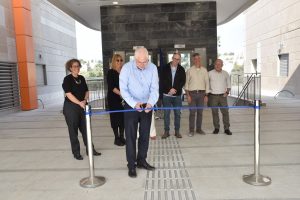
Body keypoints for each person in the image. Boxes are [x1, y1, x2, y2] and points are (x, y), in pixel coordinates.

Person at [119, 47, 159, 178]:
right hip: (131, 106)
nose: (143, 65)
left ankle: (141, 160)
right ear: (135, 59)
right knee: (130, 137)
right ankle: (131, 165)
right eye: (140, 62)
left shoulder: (152, 68)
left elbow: (155, 89)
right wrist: (133, 103)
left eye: (145, 61)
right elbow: (123, 90)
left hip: (147, 105)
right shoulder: (126, 68)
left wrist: (151, 103)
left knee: (145, 135)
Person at [62, 58, 101, 160]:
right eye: (74, 66)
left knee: (86, 129)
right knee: (73, 131)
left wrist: (84, 100)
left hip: (83, 106)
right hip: (71, 107)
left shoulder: (82, 78)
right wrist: (79, 102)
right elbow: (68, 94)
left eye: (78, 66)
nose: (77, 68)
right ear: (70, 68)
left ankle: (90, 150)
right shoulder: (67, 79)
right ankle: (76, 152)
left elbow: (87, 91)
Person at [161, 52, 186, 139]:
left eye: (178, 59)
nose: (176, 60)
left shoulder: (182, 69)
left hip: (177, 96)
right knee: (166, 114)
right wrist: (169, 89)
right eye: (175, 58)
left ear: (179, 60)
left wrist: (174, 89)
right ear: (172, 58)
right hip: (166, 95)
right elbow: (162, 80)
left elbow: (182, 81)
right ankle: (166, 131)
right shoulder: (165, 68)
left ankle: (177, 131)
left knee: (177, 114)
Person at [184, 53, 209, 137]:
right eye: (196, 59)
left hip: (202, 94)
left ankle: (199, 129)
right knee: (192, 113)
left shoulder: (204, 70)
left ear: (200, 59)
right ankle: (191, 130)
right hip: (192, 94)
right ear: (193, 60)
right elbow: (186, 84)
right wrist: (187, 95)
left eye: (199, 58)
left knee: (200, 112)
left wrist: (206, 95)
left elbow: (207, 83)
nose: (197, 60)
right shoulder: (189, 71)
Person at [208, 59, 232, 135]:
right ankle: (216, 128)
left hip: (223, 96)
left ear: (222, 65)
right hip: (213, 96)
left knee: (225, 113)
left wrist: (227, 92)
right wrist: (207, 93)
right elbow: (206, 84)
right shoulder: (210, 73)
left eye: (219, 64)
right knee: (214, 113)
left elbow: (229, 85)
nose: (218, 65)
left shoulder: (226, 74)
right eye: (216, 64)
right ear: (214, 65)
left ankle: (227, 128)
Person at [107, 54, 126, 146]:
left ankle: (122, 136)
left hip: (123, 99)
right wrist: (121, 94)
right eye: (117, 60)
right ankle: (116, 138)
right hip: (113, 99)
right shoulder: (110, 72)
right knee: (115, 118)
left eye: (121, 60)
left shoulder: (124, 72)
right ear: (114, 61)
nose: (119, 62)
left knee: (122, 118)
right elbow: (112, 87)